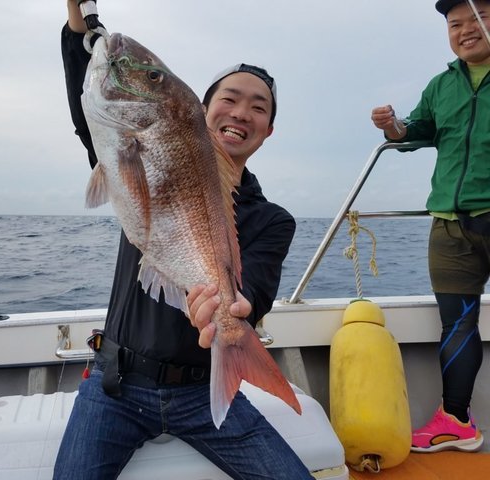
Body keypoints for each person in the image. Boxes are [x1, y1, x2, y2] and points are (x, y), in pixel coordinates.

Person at [54, 1, 313, 479]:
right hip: (114, 385)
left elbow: (253, 295)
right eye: (229, 99)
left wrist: (233, 314)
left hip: (201, 390)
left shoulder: (273, 220)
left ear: (268, 131)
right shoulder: (134, 149)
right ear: (200, 110)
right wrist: (77, 21)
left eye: (258, 107)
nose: (241, 113)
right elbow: (86, 103)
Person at [371, 0, 488, 454]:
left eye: (476, 18)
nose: (464, 30)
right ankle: (456, 421)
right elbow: (415, 131)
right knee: (457, 324)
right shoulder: (442, 85)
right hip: (451, 228)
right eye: (454, 24)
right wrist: (393, 126)